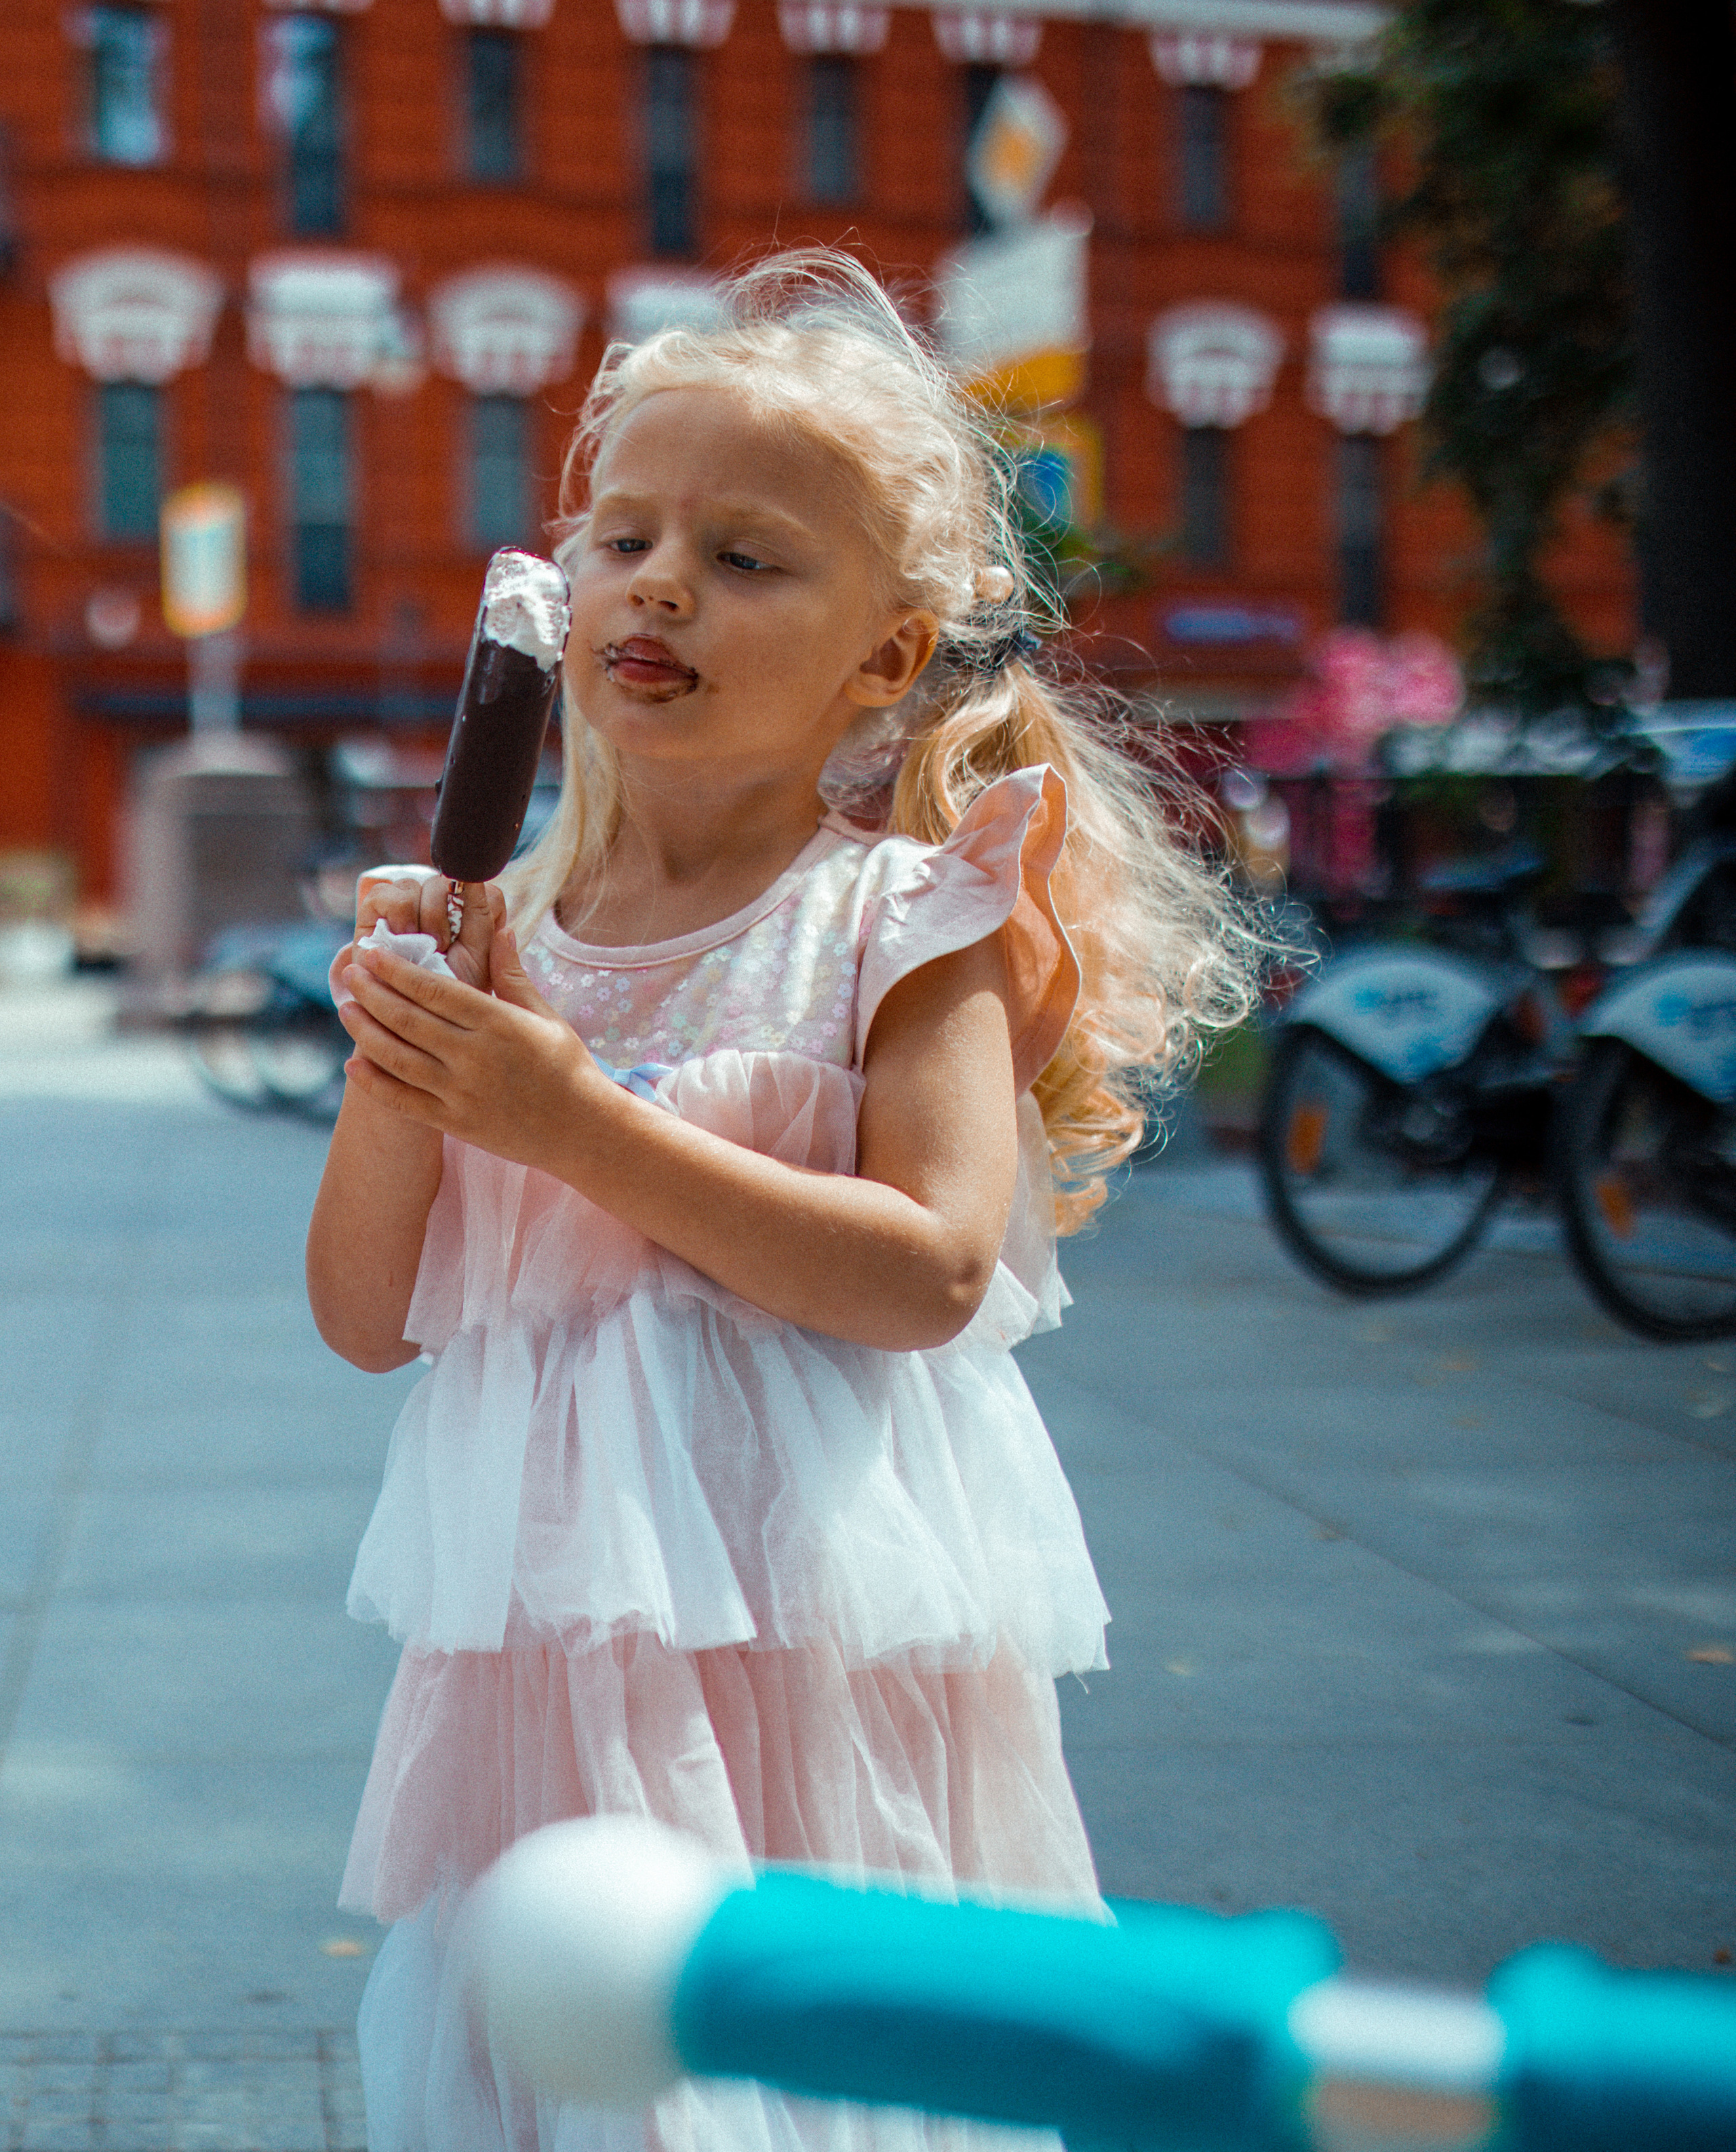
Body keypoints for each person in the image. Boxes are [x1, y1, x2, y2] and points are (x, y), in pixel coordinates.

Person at [307, 250, 1263, 2152]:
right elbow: (362, 1314)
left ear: (886, 659)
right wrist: (407, 1070)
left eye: (748, 560)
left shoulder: (905, 921)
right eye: (623, 536)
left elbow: (925, 1270)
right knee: (576, 2069)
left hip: (819, 1635)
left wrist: (575, 1121)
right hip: (555, 1653)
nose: (657, 583)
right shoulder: (508, 936)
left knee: (796, 2062)